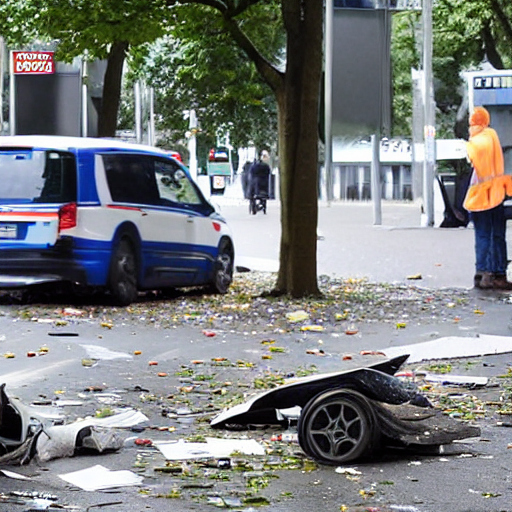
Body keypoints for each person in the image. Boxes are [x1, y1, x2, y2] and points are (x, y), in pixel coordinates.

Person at [464, 106, 512, 290]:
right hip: (495, 193)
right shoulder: (491, 135)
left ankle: (482, 273)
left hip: (478, 196)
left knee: (482, 235)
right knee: (497, 234)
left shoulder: (473, 142)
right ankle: (498, 274)